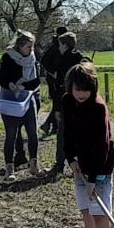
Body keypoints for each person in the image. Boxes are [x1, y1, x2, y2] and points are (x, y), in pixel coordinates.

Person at [61, 60, 114, 228]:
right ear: (70, 88)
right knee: (86, 211)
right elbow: (67, 132)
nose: (81, 94)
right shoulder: (67, 102)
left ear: (93, 87)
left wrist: (94, 178)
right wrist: (69, 158)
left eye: (85, 89)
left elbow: (102, 145)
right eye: (77, 89)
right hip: (80, 165)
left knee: (100, 215)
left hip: (100, 166)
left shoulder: (97, 107)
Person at [0, 31, 43, 178]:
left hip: (28, 97)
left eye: (32, 46)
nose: (31, 49)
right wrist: (11, 85)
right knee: (11, 134)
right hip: (10, 99)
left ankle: (34, 165)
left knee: (32, 132)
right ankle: (10, 168)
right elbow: (0, 77)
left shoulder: (32, 58)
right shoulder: (7, 57)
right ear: (19, 46)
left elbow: (36, 80)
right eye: (28, 46)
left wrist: (24, 86)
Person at [41, 30, 81, 168]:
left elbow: (59, 89)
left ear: (64, 45)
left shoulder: (62, 62)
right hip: (80, 103)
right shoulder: (80, 58)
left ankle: (59, 165)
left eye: (59, 44)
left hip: (66, 103)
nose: (58, 47)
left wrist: (57, 109)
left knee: (62, 135)